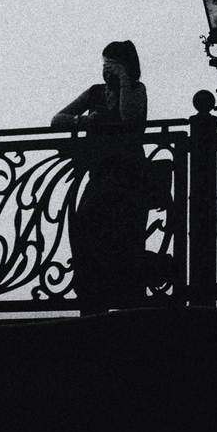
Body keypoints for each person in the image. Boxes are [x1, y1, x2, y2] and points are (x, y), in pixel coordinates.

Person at [52, 40, 148, 314]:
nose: (106, 69)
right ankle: (93, 304)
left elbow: (130, 119)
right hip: (99, 176)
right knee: (88, 233)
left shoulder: (137, 90)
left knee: (125, 241)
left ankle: (128, 307)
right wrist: (82, 121)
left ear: (127, 66)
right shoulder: (94, 93)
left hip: (129, 177)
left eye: (112, 64)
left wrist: (124, 81)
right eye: (105, 64)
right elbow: (57, 119)